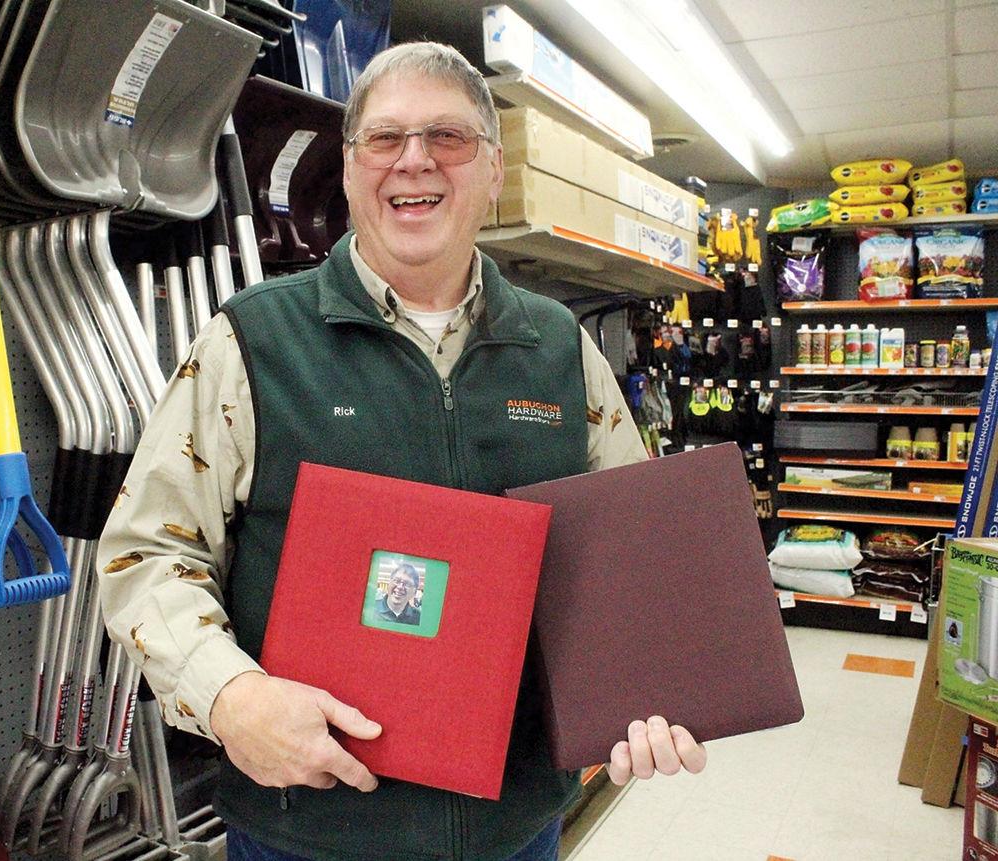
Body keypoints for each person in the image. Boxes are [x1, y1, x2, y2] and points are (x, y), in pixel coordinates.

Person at [98, 40, 706, 861]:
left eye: (447, 138)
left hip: (513, 828)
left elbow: (631, 564)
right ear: (347, 171)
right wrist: (231, 696)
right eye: (383, 139)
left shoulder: (558, 348)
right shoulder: (254, 340)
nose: (413, 162)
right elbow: (147, 553)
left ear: (492, 169)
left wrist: (649, 691)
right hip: (308, 832)